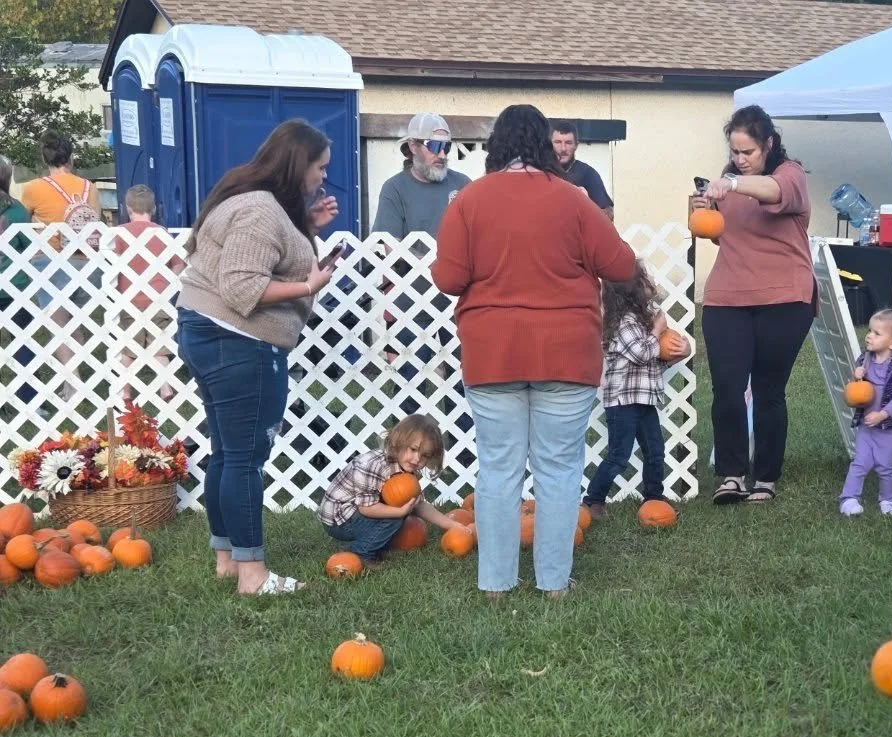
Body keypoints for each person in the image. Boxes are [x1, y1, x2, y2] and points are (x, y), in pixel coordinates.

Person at [433, 104, 635, 598]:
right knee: (560, 470)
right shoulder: (574, 200)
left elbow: (449, 278)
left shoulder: (469, 200)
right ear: (547, 144)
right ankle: (552, 583)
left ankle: (496, 583)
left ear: (495, 145)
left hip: (493, 352)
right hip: (567, 353)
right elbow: (622, 265)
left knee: (498, 468)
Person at [176, 118, 340, 596]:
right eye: (320, 167)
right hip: (238, 341)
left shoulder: (250, 201)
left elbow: (252, 258)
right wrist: (309, 285)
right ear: (297, 164)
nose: (324, 177)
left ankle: (227, 558)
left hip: (209, 333)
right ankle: (253, 575)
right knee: (246, 456)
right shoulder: (261, 209)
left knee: (228, 451)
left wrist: (307, 227)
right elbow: (243, 285)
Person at [690, 105, 814, 506]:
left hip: (785, 296)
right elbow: (714, 234)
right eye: (735, 152)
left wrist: (731, 183)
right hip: (728, 296)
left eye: (748, 152)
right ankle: (730, 474)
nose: (741, 160)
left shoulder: (789, 174)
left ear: (769, 145)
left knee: (767, 388)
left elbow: (773, 192)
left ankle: (766, 476)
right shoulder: (728, 184)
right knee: (727, 388)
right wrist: (701, 209)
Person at [372, 113, 471, 421]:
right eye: (434, 145)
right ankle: (405, 462)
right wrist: (437, 260)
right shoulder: (395, 188)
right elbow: (389, 244)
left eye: (447, 146)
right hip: (410, 303)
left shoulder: (464, 185)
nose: (442, 154)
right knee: (409, 384)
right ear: (413, 146)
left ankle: (465, 458)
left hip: (458, 301)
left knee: (463, 381)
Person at [583, 264, 674, 520]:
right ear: (633, 289)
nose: (652, 280)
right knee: (619, 455)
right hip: (623, 400)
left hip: (643, 398)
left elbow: (652, 358)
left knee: (655, 451)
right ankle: (593, 500)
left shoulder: (640, 319)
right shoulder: (624, 322)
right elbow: (641, 353)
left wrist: (671, 354)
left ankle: (654, 499)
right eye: (646, 278)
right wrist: (657, 330)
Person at [20, 130, 103, 401]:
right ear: (71, 157)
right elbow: (96, 222)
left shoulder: (33, 188)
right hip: (86, 263)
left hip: (51, 261)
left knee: (59, 325)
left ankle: (73, 382)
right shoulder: (89, 187)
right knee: (74, 323)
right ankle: (72, 381)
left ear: (46, 158)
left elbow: (24, 222)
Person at [318, 415, 453, 565]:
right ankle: (360, 553)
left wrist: (451, 525)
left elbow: (418, 504)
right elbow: (366, 509)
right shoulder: (373, 465)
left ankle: (375, 543)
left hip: (354, 513)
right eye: (413, 449)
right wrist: (400, 512)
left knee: (398, 512)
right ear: (398, 441)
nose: (417, 459)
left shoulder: (407, 467)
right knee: (395, 517)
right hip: (339, 519)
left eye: (425, 456)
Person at [839, 306, 892, 517]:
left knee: (884, 464)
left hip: (889, 427)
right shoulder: (866, 359)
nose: (869, 336)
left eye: (876, 333)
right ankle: (849, 498)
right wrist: (857, 374)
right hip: (867, 424)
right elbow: (860, 389)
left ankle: (888, 499)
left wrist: (883, 414)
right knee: (860, 462)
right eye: (870, 331)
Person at [114, 184, 181, 403]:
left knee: (129, 348)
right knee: (160, 347)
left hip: (129, 298)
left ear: (127, 208)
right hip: (158, 297)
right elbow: (178, 263)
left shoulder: (120, 233)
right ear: (153, 208)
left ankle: (125, 390)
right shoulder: (160, 232)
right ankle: (165, 388)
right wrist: (169, 281)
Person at [0, 154, 37, 407]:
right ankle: (27, 398)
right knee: (22, 341)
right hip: (16, 285)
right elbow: (29, 248)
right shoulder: (16, 210)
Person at [551, 121, 614, 218]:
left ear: (576, 145)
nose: (563, 148)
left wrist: (586, 202)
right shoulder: (542, 171)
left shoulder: (587, 173)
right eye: (558, 142)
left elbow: (609, 213)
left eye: (568, 143)